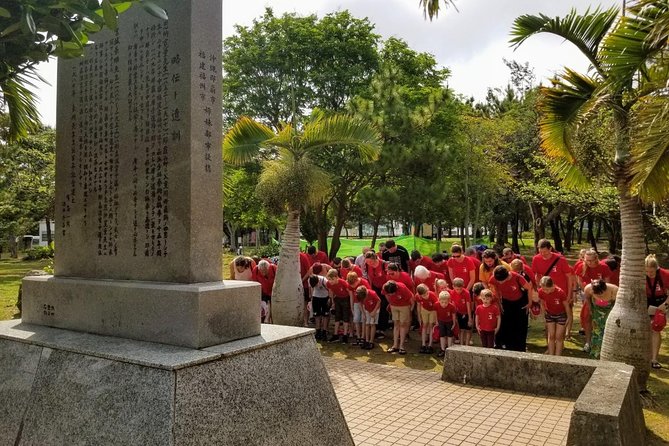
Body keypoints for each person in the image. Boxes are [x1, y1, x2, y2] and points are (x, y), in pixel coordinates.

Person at [488, 265, 534, 351]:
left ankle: (520, 347)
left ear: (507, 276)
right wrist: (499, 304)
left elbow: (528, 288)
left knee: (520, 325)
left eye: (502, 281)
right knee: (508, 324)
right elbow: (495, 291)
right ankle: (508, 345)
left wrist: (529, 303)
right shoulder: (493, 279)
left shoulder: (517, 277)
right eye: (499, 281)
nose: (501, 283)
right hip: (506, 302)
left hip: (520, 302)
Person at [575, 249, 610, 353]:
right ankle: (588, 342)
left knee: (601, 319)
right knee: (587, 318)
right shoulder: (582, 267)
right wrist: (587, 289)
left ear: (596, 259)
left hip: (601, 296)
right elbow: (579, 280)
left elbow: (607, 283)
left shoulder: (603, 267)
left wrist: (599, 293)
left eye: (591, 260)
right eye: (587, 260)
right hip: (588, 295)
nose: (589, 263)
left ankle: (602, 343)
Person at [584, 279, 617, 359]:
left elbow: (617, 306)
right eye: (597, 294)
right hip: (596, 312)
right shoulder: (588, 289)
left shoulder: (614, 290)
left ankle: (608, 353)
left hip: (610, 312)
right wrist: (590, 309)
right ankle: (595, 352)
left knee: (609, 331)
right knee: (597, 331)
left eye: (601, 294)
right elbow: (587, 298)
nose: (599, 296)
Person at [646, 254, 669, 369]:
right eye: (647, 272)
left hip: (661, 303)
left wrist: (665, 304)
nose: (650, 274)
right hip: (645, 302)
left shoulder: (664, 274)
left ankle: (654, 359)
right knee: (645, 328)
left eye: (652, 272)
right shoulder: (639, 274)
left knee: (656, 329)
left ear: (657, 268)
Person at [538, 276, 571, 356]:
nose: (545, 291)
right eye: (544, 289)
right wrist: (544, 313)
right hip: (549, 314)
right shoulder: (541, 291)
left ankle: (557, 357)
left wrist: (569, 317)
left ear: (552, 285)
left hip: (561, 315)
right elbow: (542, 302)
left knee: (559, 336)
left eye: (547, 289)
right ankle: (551, 355)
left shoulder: (560, 292)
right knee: (551, 335)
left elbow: (566, 306)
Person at [382, 280, 414, 354]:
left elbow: (411, 299)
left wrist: (410, 310)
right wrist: (390, 303)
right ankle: (395, 345)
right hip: (394, 306)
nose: (391, 294)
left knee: (402, 325)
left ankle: (401, 346)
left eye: (392, 293)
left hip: (404, 306)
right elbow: (385, 294)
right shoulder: (385, 287)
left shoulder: (402, 288)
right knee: (396, 324)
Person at [364, 251, 390, 335]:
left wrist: (386, 289)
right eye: (367, 262)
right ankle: (375, 325)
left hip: (384, 287)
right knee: (375, 305)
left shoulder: (383, 264)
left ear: (375, 259)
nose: (369, 263)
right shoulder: (368, 265)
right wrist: (371, 288)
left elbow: (388, 277)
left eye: (370, 261)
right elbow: (369, 277)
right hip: (375, 287)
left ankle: (382, 327)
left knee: (383, 306)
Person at [326, 269, 351, 343]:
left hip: (346, 299)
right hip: (337, 299)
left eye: (332, 279)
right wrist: (332, 302)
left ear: (337, 277)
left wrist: (350, 303)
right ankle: (335, 334)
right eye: (329, 279)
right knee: (337, 317)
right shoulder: (329, 283)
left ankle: (345, 335)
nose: (331, 281)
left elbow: (349, 292)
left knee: (345, 318)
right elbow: (331, 292)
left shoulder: (343, 282)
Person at [347, 272, 371, 345]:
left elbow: (368, 294)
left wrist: (365, 308)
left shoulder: (364, 282)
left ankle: (363, 336)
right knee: (356, 319)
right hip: (356, 302)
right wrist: (351, 307)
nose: (353, 286)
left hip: (364, 302)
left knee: (363, 318)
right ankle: (358, 336)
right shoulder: (350, 284)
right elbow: (351, 296)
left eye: (354, 284)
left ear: (357, 280)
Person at [449, 278, 473, 347]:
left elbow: (468, 306)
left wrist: (469, 318)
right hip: (459, 313)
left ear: (463, 286)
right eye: (457, 289)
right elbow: (453, 305)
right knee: (461, 330)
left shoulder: (466, 293)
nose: (459, 291)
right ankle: (461, 345)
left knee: (468, 330)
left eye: (460, 289)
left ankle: (467, 345)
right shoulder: (452, 293)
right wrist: (455, 316)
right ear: (453, 287)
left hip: (466, 313)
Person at [416, 284, 439, 354]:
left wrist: (437, 319)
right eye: (423, 295)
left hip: (432, 310)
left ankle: (430, 345)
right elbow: (418, 305)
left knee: (431, 325)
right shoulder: (418, 296)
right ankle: (423, 344)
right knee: (424, 325)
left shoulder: (432, 295)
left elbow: (436, 308)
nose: (426, 296)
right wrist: (419, 316)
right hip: (424, 309)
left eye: (426, 294)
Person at [309, 274, 330, 341]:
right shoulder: (310, 280)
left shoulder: (324, 281)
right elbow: (311, 289)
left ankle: (324, 331)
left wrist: (330, 298)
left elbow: (330, 289)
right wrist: (311, 300)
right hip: (316, 297)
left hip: (325, 297)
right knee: (317, 315)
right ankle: (318, 331)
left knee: (325, 315)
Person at [436, 291, 457, 357]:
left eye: (446, 302)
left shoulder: (452, 306)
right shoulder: (436, 305)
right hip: (441, 321)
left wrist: (453, 323)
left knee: (449, 335)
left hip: (449, 321)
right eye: (442, 302)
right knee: (442, 335)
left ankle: (449, 349)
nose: (444, 304)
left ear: (449, 301)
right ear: (439, 300)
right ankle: (442, 349)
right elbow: (435, 313)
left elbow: (453, 315)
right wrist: (436, 321)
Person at [359, 286, 381, 350]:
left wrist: (374, 311)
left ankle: (371, 341)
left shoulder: (372, 293)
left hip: (374, 310)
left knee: (372, 324)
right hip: (367, 309)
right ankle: (367, 340)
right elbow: (360, 303)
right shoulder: (359, 295)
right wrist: (363, 313)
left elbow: (379, 301)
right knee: (367, 324)